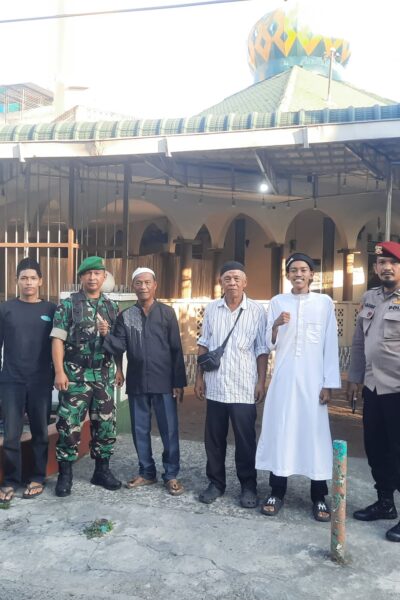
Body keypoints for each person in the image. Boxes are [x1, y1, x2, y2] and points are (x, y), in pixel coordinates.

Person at [256, 253, 341, 521]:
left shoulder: (324, 303)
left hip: (313, 382)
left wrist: (328, 384)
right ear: (288, 275)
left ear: (312, 274)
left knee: (314, 435)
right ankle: (276, 491)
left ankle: (319, 496)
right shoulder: (277, 301)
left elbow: (330, 345)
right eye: (293, 270)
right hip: (284, 380)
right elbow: (268, 343)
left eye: (303, 269)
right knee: (282, 431)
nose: (299, 274)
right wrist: (275, 325)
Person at [103, 267, 187, 496]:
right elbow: (119, 345)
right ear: (133, 286)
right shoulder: (126, 315)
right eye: (139, 283)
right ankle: (147, 472)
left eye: (147, 282)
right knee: (140, 429)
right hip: (138, 380)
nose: (143, 287)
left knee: (169, 429)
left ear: (155, 285)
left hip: (164, 380)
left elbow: (176, 349)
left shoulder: (167, 313)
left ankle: (171, 474)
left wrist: (178, 382)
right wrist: (106, 336)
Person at [195, 261, 268, 508]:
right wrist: (199, 378)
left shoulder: (257, 311)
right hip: (216, 386)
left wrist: (261, 381)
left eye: (237, 278)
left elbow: (261, 349)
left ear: (245, 282)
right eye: (227, 278)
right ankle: (216, 483)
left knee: (245, 441)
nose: (232, 282)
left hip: (244, 387)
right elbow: (204, 343)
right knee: (214, 440)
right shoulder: (212, 309)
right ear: (221, 282)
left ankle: (248, 486)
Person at [50, 256, 121, 497]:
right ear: (81, 277)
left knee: (106, 424)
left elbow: (117, 343)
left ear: (104, 276)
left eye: (97, 273)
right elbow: (57, 339)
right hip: (75, 376)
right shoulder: (68, 305)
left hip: (103, 375)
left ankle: (101, 471)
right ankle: (65, 475)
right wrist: (59, 371)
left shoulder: (111, 307)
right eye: (88, 273)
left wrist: (118, 368)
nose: (92, 277)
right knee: (69, 425)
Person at [347, 241, 400, 542]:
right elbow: (358, 342)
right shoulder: (370, 298)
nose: (386, 267)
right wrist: (354, 378)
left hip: (397, 389)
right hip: (373, 387)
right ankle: (385, 503)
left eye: (393, 262)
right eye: (381, 262)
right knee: (376, 447)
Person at [0, 257, 56, 504]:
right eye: (24, 278)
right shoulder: (5, 309)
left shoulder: (51, 310)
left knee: (40, 432)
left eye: (33, 278)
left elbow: (59, 345)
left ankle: (37, 477)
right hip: (11, 381)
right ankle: (11, 480)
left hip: (40, 381)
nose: (29, 282)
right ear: (17, 281)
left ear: (41, 281)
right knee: (12, 434)